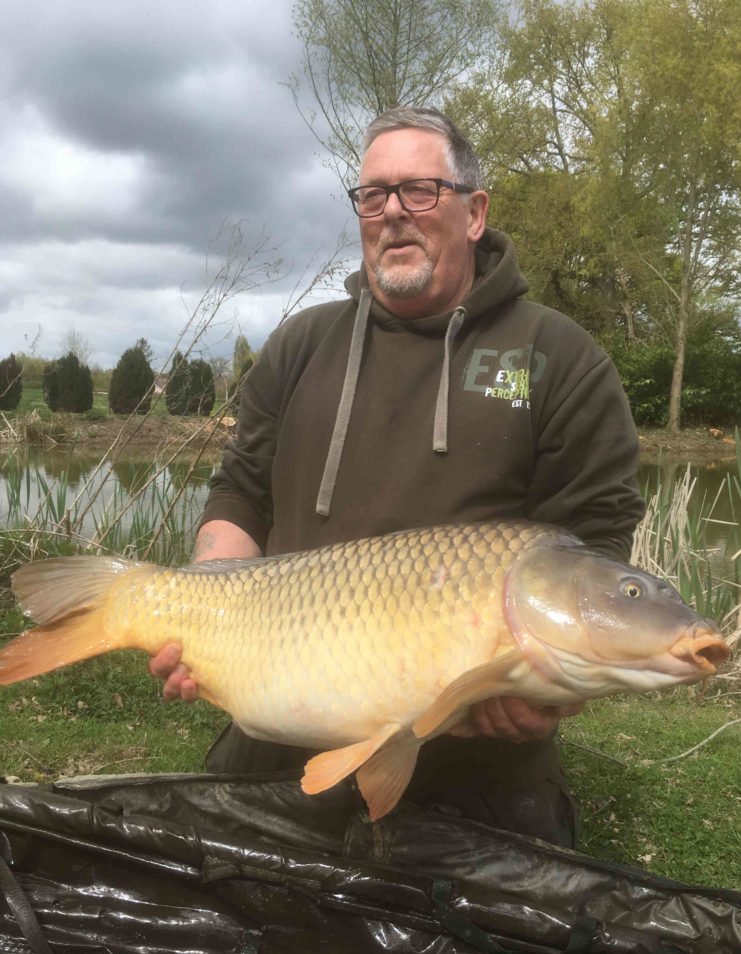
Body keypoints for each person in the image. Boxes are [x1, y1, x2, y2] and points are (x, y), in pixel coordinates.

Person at [151, 107, 645, 847]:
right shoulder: (300, 345)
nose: (392, 213)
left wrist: (552, 690)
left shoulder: (559, 357)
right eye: (373, 195)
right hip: (282, 726)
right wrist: (203, 606)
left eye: (419, 191)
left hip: (476, 757)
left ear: (475, 213)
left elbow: (592, 547)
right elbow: (242, 491)